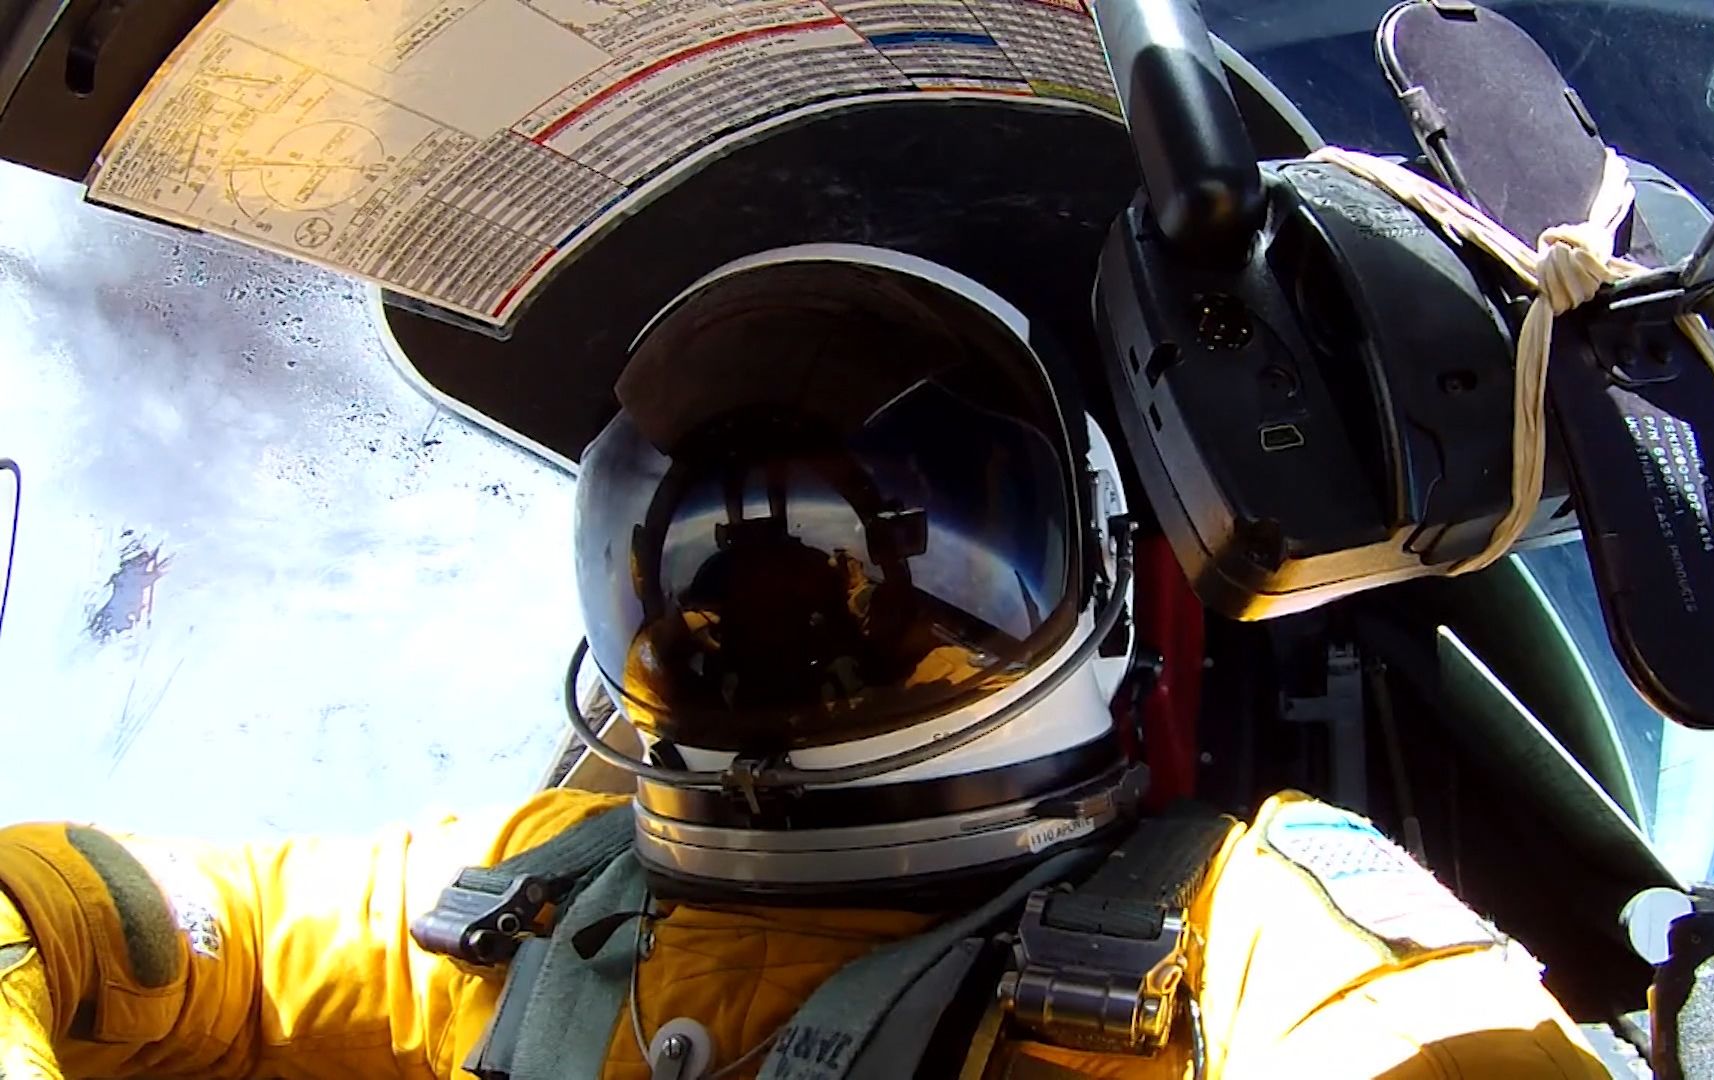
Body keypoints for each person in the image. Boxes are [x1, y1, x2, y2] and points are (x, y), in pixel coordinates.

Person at [0, 248, 1610, 1080]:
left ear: (1102, 581)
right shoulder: (535, 894)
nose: (790, 629)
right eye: (720, 573)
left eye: (871, 569)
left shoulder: (1237, 939)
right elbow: (69, 910)